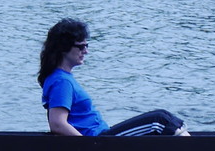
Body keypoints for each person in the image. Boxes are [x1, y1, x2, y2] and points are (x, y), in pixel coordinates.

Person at [38, 18, 188, 137]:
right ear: (63, 49)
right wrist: (87, 148)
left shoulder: (62, 78)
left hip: (102, 138)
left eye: (87, 46)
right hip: (99, 142)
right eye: (81, 46)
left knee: (164, 118)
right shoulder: (61, 81)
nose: (86, 51)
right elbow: (57, 124)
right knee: (159, 120)